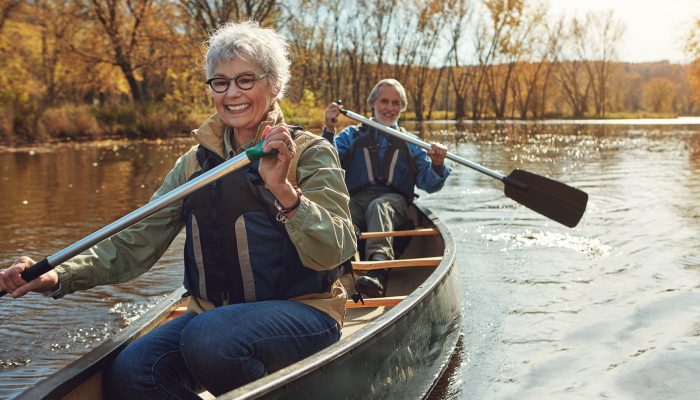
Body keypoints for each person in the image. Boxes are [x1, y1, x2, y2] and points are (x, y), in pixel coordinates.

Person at [0, 21, 356, 399]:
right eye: (220, 82)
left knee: (211, 340)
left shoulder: (311, 151)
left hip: (303, 313)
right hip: (212, 319)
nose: (232, 93)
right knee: (133, 372)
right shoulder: (193, 165)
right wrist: (56, 276)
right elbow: (134, 242)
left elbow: (337, 247)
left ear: (275, 86)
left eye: (246, 80)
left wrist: (282, 189)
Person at [322, 78, 450, 298]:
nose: (390, 108)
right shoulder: (351, 136)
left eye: (396, 103)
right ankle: (332, 268)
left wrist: (438, 164)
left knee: (379, 206)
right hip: (357, 200)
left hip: (394, 203)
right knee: (341, 209)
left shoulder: (411, 142)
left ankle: (378, 270)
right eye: (384, 101)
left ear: (402, 107)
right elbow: (326, 164)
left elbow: (430, 184)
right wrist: (329, 129)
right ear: (373, 103)